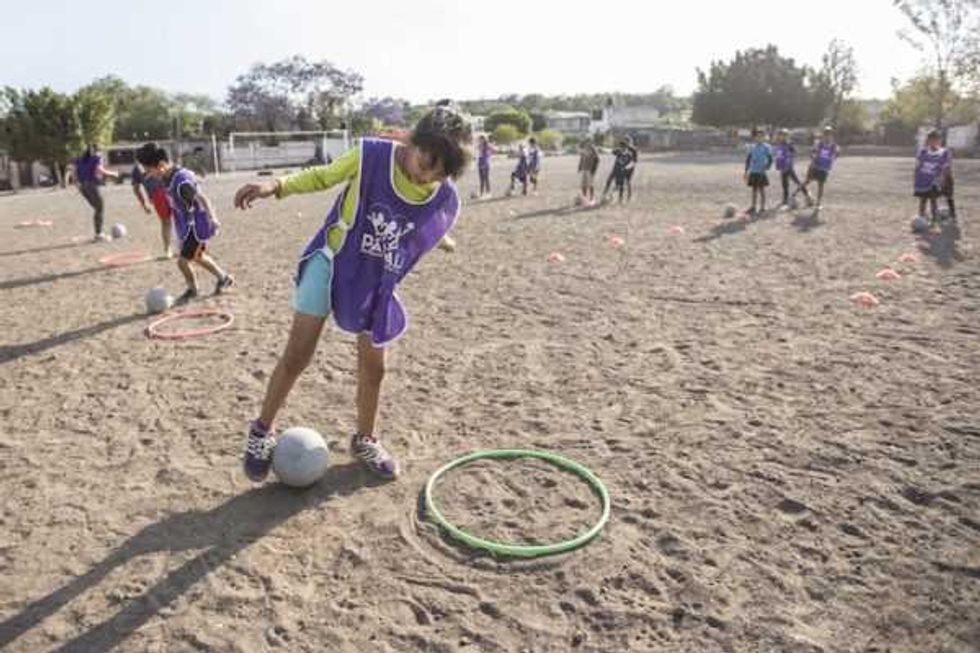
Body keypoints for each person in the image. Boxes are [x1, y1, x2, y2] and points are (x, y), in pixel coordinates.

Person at [232, 104, 472, 482]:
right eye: (426, 164)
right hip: (330, 261)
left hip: (376, 280)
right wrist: (274, 186)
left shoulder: (441, 194)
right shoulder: (371, 155)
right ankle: (261, 431)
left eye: (440, 174)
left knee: (375, 368)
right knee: (297, 354)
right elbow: (322, 177)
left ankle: (365, 439)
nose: (428, 177)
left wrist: (439, 237)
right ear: (411, 140)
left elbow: (421, 221)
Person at [136, 142, 234, 305]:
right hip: (187, 226)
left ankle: (193, 290)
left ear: (160, 165)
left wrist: (213, 218)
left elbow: (202, 198)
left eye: (149, 171)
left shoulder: (180, 181)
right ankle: (224, 278)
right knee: (198, 257)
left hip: (196, 226)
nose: (148, 175)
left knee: (182, 262)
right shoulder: (168, 175)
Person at [73, 145, 119, 241]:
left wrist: (79, 185)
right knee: (99, 208)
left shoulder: (80, 160)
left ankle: (98, 232)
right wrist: (113, 174)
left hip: (83, 187)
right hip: (91, 186)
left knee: (97, 209)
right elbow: (99, 170)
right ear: (96, 151)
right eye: (100, 151)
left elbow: (74, 175)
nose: (101, 153)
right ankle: (99, 234)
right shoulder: (96, 158)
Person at [131, 160, 174, 258]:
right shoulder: (137, 168)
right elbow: (136, 188)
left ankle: (187, 246)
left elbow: (172, 170)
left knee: (181, 218)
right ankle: (167, 248)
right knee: (166, 222)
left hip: (171, 189)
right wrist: (144, 204)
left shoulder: (160, 159)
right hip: (157, 195)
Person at [914, 129, 954, 225]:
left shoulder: (944, 152)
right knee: (923, 199)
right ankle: (921, 217)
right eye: (931, 139)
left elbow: (946, 167)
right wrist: (915, 177)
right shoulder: (923, 151)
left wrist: (943, 179)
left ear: (940, 140)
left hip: (935, 180)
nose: (933, 142)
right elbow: (918, 165)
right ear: (928, 140)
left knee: (934, 199)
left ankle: (935, 219)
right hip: (923, 180)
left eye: (936, 139)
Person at [799, 126, 840, 210]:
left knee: (821, 186)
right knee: (806, 182)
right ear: (823, 135)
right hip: (815, 167)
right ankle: (795, 196)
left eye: (829, 134)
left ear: (832, 135)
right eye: (826, 134)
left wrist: (834, 156)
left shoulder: (833, 146)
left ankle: (818, 203)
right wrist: (813, 158)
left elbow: (835, 155)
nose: (827, 136)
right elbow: (812, 153)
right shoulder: (819, 144)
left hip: (824, 168)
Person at [773, 128, 810, 208]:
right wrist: (778, 164)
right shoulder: (779, 144)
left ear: (787, 136)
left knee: (797, 182)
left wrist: (789, 159)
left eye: (784, 135)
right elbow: (778, 156)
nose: (782, 137)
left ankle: (807, 195)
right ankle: (785, 200)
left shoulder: (789, 144)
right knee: (784, 184)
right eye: (781, 135)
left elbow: (794, 153)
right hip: (782, 168)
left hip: (789, 167)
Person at [743, 128, 773, 214]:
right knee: (754, 190)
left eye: (761, 136)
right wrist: (746, 171)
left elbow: (770, 159)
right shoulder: (751, 147)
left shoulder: (766, 147)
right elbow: (748, 159)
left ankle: (763, 207)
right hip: (753, 171)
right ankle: (753, 207)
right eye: (757, 136)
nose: (759, 138)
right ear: (755, 137)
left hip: (761, 171)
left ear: (764, 137)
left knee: (762, 189)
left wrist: (767, 167)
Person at [603, 136, 638, 203]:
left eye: (627, 141)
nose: (626, 143)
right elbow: (611, 151)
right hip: (617, 168)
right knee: (610, 180)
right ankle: (606, 194)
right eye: (625, 141)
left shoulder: (633, 150)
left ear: (630, 142)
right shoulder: (620, 149)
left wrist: (627, 167)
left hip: (628, 169)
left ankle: (627, 196)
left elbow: (634, 161)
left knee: (627, 182)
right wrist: (602, 149)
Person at [577, 138, 600, 205]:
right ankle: (585, 199)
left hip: (590, 170)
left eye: (589, 142)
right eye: (586, 142)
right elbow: (581, 158)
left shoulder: (593, 150)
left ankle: (592, 199)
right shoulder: (584, 149)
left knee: (590, 185)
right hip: (584, 169)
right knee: (583, 185)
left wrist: (594, 169)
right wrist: (580, 167)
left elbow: (597, 159)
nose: (587, 144)